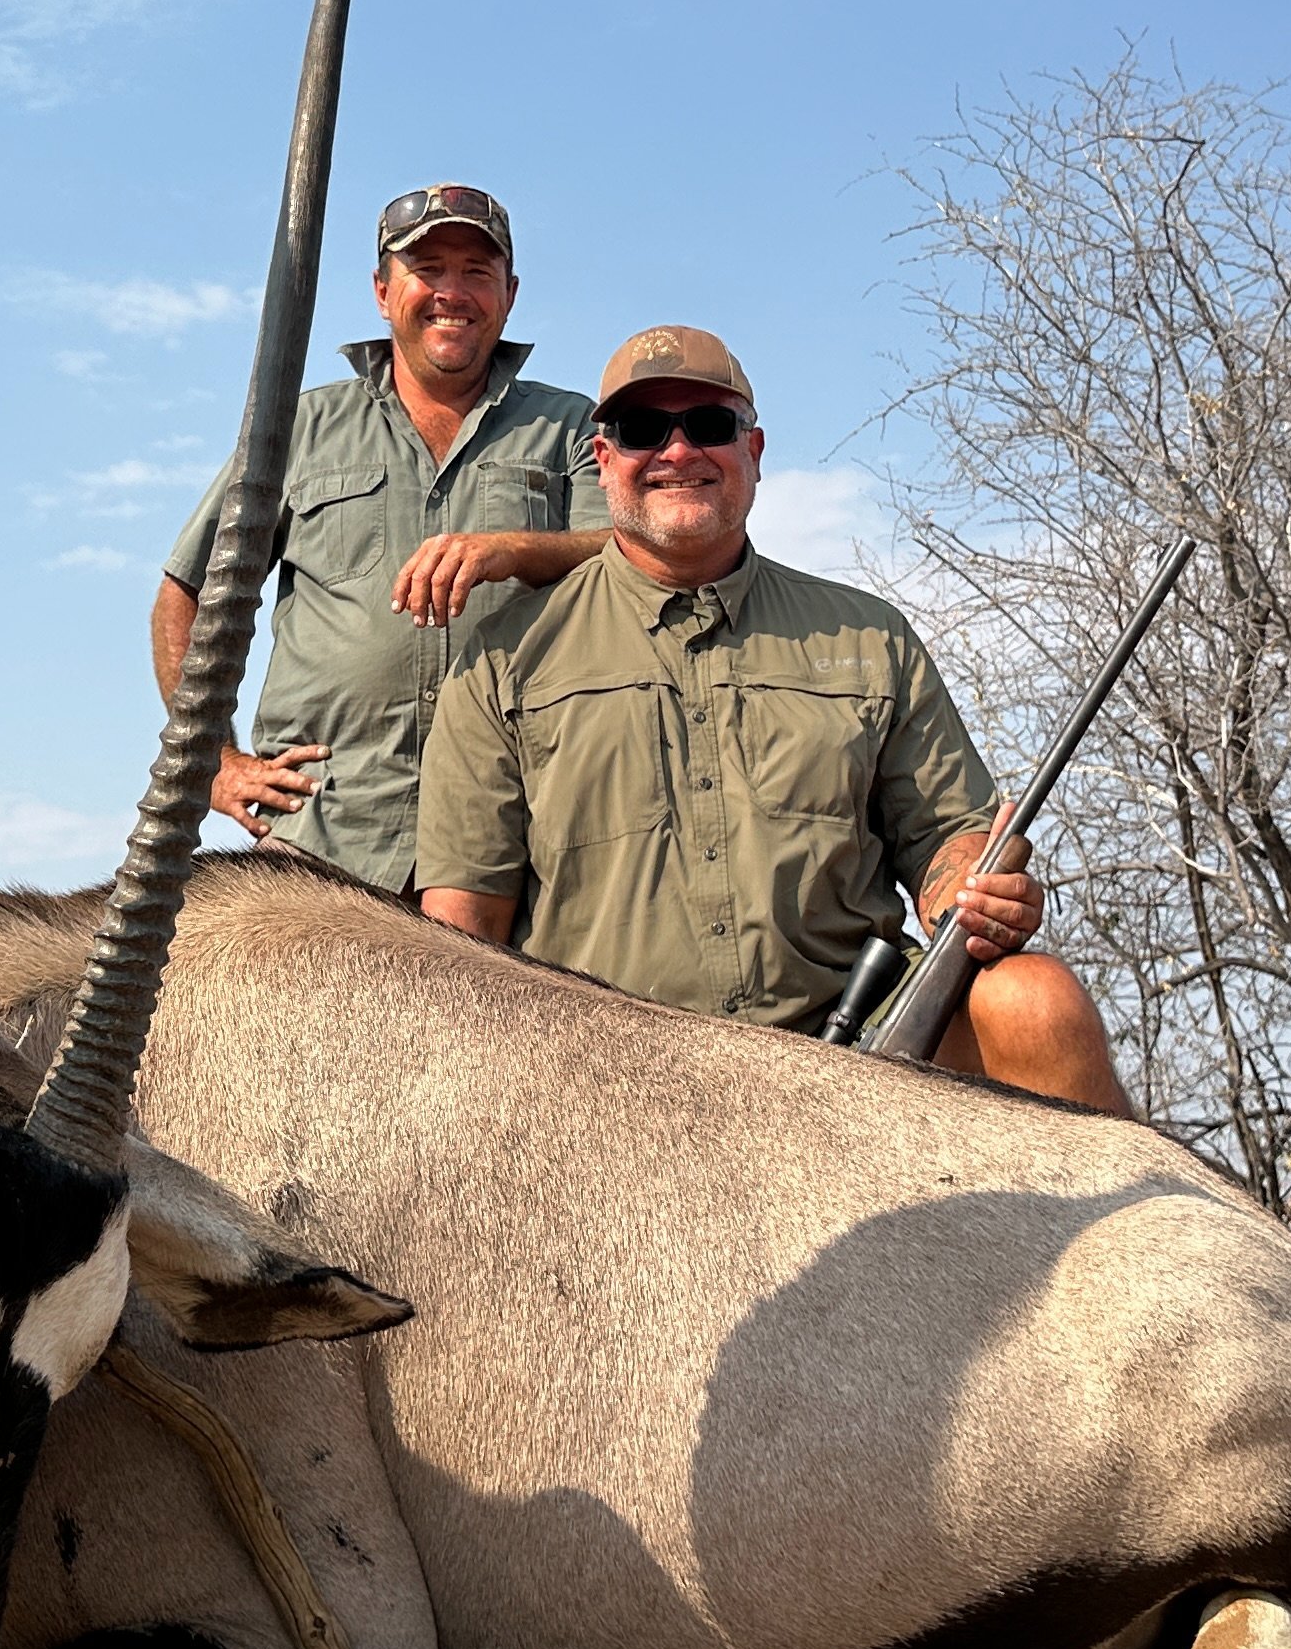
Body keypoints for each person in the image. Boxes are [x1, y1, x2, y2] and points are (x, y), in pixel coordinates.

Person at [412, 323, 1133, 1111]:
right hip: (607, 1088)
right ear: (604, 458)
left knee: (1036, 999)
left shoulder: (869, 637)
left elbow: (948, 843)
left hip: (853, 1065)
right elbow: (463, 933)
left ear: (753, 452)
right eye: (644, 429)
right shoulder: (500, 659)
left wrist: (975, 892)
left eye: (710, 426)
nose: (679, 451)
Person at [153, 184, 609, 894]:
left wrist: (510, 551)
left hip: (519, 839)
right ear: (381, 290)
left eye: (476, 272)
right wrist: (210, 758)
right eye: (428, 270)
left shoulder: (571, 426)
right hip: (323, 833)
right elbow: (186, 591)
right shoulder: (299, 426)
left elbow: (625, 560)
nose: (451, 292)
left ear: (510, 294)